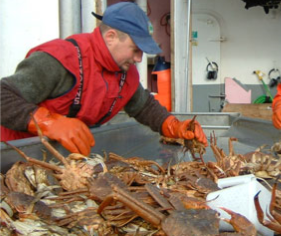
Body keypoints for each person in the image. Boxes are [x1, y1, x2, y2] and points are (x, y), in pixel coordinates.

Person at [0, 2, 208, 155]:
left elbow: (143, 107)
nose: (138, 59)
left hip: (61, 159)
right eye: (135, 50)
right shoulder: (60, 59)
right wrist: (49, 123)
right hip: (15, 154)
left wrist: (173, 126)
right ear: (111, 37)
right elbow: (3, 96)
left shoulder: (124, 73)